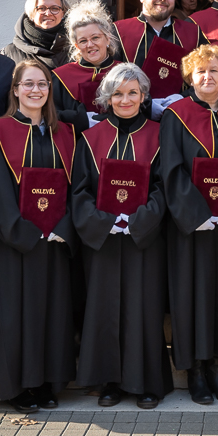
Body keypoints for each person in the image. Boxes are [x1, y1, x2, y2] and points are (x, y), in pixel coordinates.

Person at [0, 60, 79, 412]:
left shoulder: (65, 133)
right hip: (15, 244)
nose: (35, 90)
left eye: (42, 84)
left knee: (53, 314)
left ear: (50, 91)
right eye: (28, 84)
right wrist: (24, 234)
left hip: (55, 242)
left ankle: (48, 382)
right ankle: (16, 387)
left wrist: (62, 229)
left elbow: (74, 188)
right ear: (15, 89)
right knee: (14, 315)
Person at [70, 63, 172, 409]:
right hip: (104, 239)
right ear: (106, 99)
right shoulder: (89, 139)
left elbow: (164, 189)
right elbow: (80, 191)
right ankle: (109, 381)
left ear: (144, 96)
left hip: (145, 238)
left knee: (144, 308)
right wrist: (104, 222)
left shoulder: (160, 135)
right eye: (117, 93)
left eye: (132, 92)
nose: (125, 99)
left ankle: (146, 383)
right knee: (105, 308)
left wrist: (138, 220)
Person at [159, 45, 218, 405]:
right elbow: (171, 171)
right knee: (191, 296)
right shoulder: (175, 116)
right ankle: (194, 370)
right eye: (200, 73)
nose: (207, 77)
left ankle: (216, 367)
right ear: (189, 77)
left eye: (214, 71)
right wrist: (198, 215)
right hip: (191, 227)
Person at [114, 0, 204, 117]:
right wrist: (146, 103)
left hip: (183, 119)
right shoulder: (119, 31)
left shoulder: (194, 33)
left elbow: (207, 75)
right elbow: (109, 78)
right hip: (133, 120)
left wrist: (183, 97)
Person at [51, 0, 119, 132]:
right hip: (77, 147)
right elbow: (51, 116)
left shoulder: (125, 72)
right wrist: (78, 118)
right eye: (83, 41)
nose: (90, 45)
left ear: (107, 38)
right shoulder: (60, 78)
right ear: (76, 46)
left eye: (95, 38)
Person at [0, 0, 72, 73]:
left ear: (63, 13)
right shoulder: (8, 54)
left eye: (54, 8)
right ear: (31, 14)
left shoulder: (77, 49)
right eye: (41, 8)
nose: (48, 13)